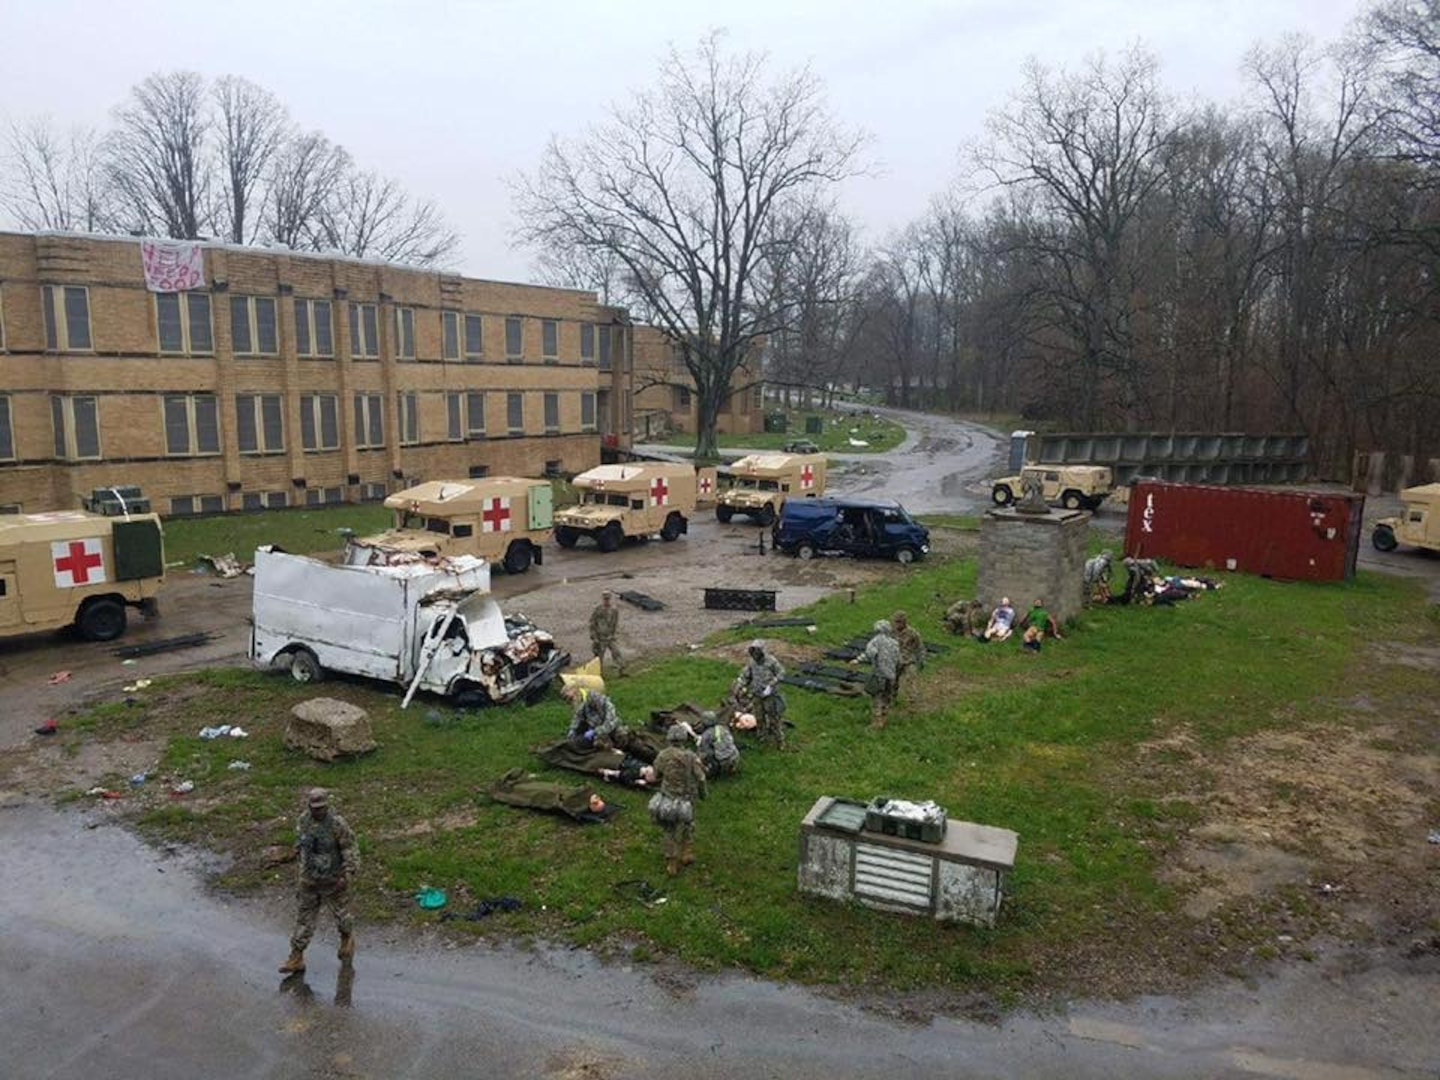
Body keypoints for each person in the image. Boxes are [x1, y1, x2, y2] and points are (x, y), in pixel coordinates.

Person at [279, 788, 359, 974]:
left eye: (321, 808)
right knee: (304, 920)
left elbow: (349, 848)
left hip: (334, 880)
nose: (318, 811)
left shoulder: (337, 824)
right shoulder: (303, 821)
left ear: (327, 806)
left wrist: (347, 873)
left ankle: (347, 938)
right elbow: (302, 847)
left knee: (341, 916)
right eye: (314, 808)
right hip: (309, 880)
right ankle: (296, 957)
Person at [648, 724, 708, 875]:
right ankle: (687, 853)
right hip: (687, 798)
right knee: (688, 824)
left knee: (669, 829)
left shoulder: (662, 755)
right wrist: (703, 794)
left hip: (668, 797)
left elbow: (655, 776)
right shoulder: (691, 757)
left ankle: (672, 862)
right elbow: (701, 778)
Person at [734, 639, 786, 748]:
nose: (755, 656)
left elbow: (781, 673)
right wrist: (740, 684)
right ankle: (761, 737)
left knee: (774, 718)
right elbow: (746, 675)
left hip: (770, 695)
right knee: (759, 717)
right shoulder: (752, 662)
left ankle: (779, 741)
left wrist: (771, 685)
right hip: (756, 694)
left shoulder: (771, 661)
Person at [853, 618, 901, 729]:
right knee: (887, 697)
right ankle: (884, 718)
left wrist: (857, 660)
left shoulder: (875, 641)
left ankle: (877, 722)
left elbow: (870, 653)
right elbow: (899, 660)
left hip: (879, 674)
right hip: (891, 676)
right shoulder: (894, 643)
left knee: (877, 697)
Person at [561, 683, 623, 749]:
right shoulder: (581, 702)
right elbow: (577, 717)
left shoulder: (597, 699)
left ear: (575, 691)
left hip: (611, 729)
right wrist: (572, 730)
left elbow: (611, 722)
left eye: (569, 698)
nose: (569, 701)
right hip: (596, 730)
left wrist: (595, 731)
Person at [689, 711, 740, 778]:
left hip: (722, 763)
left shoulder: (706, 736)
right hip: (735, 756)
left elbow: (705, 754)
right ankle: (732, 768)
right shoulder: (723, 728)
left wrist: (699, 745)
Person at [589, 591, 624, 676]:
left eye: (608, 599)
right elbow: (592, 623)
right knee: (599, 657)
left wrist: (614, 634)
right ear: (602, 599)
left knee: (617, 653)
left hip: (610, 637)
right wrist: (594, 636)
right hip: (600, 638)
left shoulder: (614, 610)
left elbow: (615, 623)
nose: (606, 600)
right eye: (605, 599)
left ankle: (621, 671)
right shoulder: (598, 609)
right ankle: (598, 674)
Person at [892, 610, 925, 700]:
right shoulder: (891, 632)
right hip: (895, 660)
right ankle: (892, 696)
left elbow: (920, 647)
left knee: (911, 678)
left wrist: (921, 660)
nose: (897, 624)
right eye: (895, 622)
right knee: (893, 680)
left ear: (904, 622)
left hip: (909, 659)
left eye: (899, 622)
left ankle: (913, 698)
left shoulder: (912, 633)